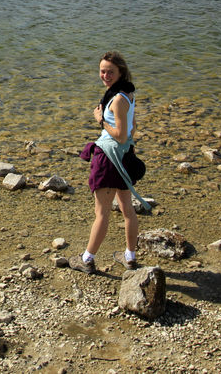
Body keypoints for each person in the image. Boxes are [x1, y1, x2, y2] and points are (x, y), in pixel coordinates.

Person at [70, 51, 148, 275]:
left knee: (102, 212)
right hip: (124, 156)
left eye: (110, 72)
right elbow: (132, 129)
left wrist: (101, 120)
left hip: (109, 158)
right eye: (102, 71)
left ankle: (87, 259)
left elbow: (121, 135)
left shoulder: (118, 100)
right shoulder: (128, 95)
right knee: (127, 209)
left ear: (120, 72)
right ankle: (130, 257)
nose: (105, 75)